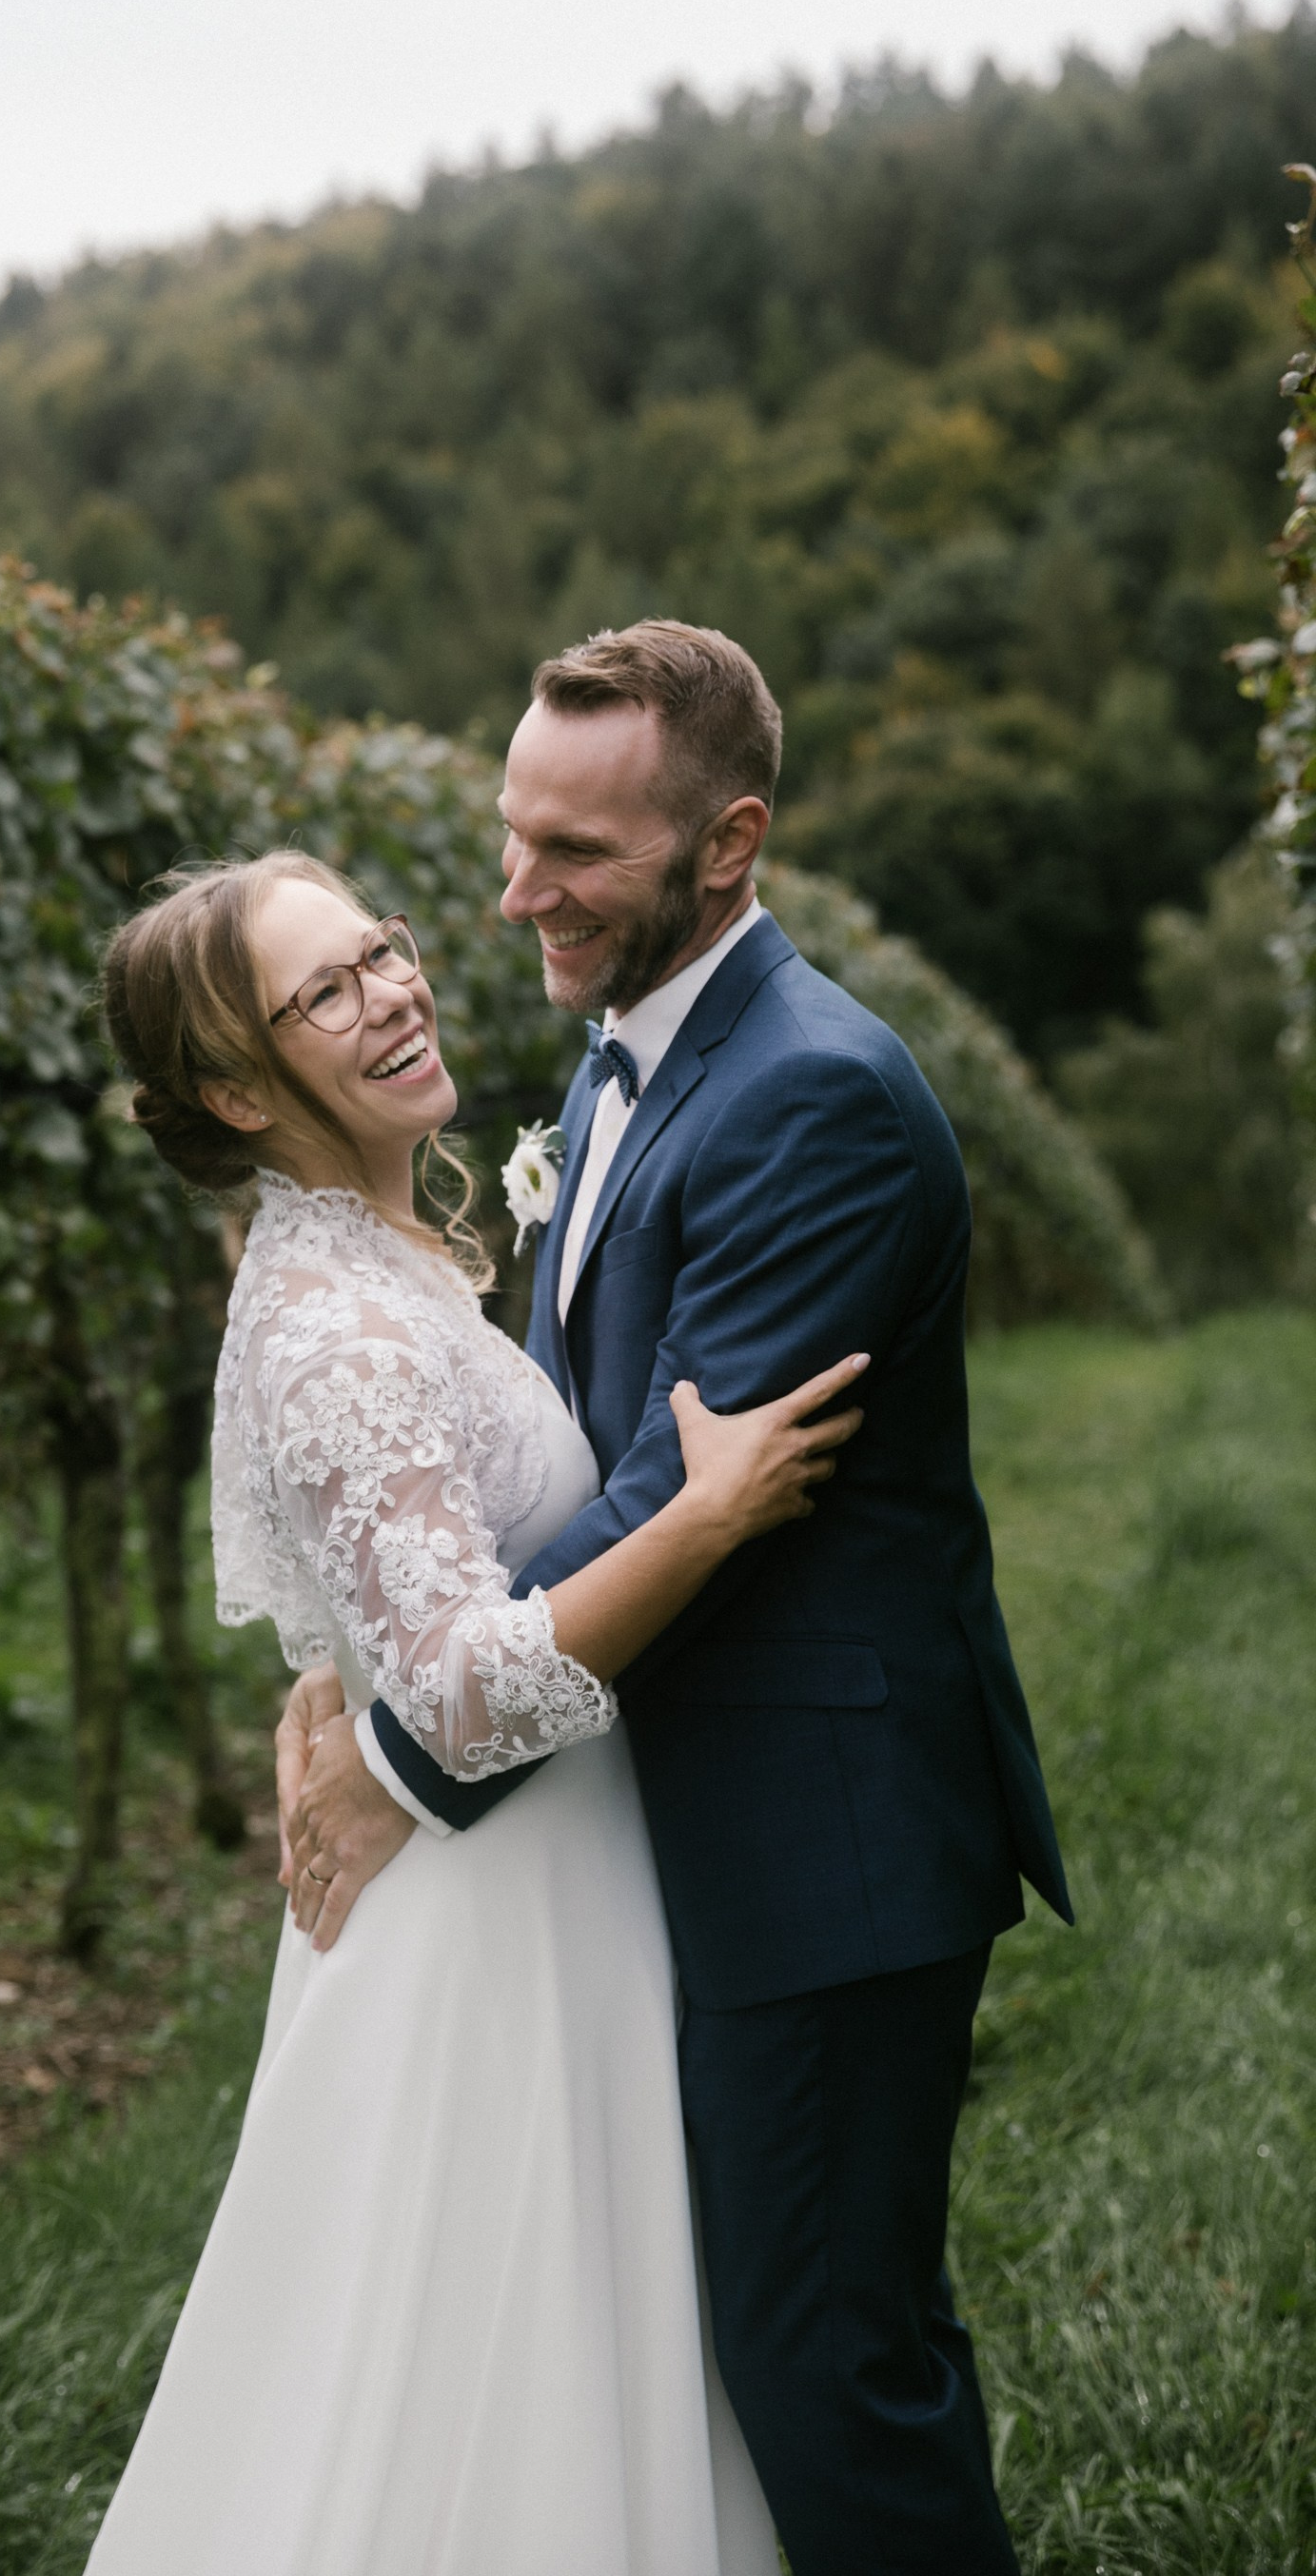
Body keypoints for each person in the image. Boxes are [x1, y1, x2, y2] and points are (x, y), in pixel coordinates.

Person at [286, 621, 1072, 2576]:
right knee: (797, 2335)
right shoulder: (627, 1049)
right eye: (511, 835)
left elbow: (671, 1494)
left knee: (826, 2361)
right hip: (704, 1809)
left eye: (577, 851)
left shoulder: (813, 1096)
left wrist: (419, 1732)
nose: (516, 892)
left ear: (730, 843)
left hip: (823, 1838)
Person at [86, 845, 870, 2574]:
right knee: (502, 2388)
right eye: (326, 992)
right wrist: (708, 1515)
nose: (394, 993)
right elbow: (458, 1687)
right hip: (496, 1919)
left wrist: (335, 1678)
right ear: (239, 1090)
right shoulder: (336, 1331)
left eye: (381, 948)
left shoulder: (367, 1258)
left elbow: (387, 1571)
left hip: (536, 1880)